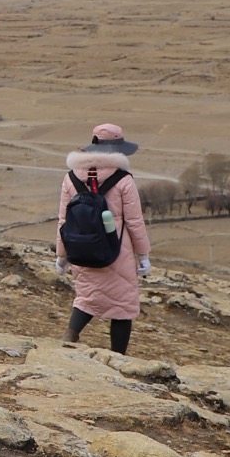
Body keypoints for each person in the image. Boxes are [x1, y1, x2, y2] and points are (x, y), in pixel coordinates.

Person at [56, 123, 152, 353]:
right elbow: (135, 221)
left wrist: (62, 255)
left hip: (81, 249)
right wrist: (143, 255)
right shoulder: (123, 180)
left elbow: (63, 220)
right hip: (117, 252)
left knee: (86, 297)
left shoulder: (71, 178)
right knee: (123, 306)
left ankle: (68, 339)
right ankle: (118, 357)